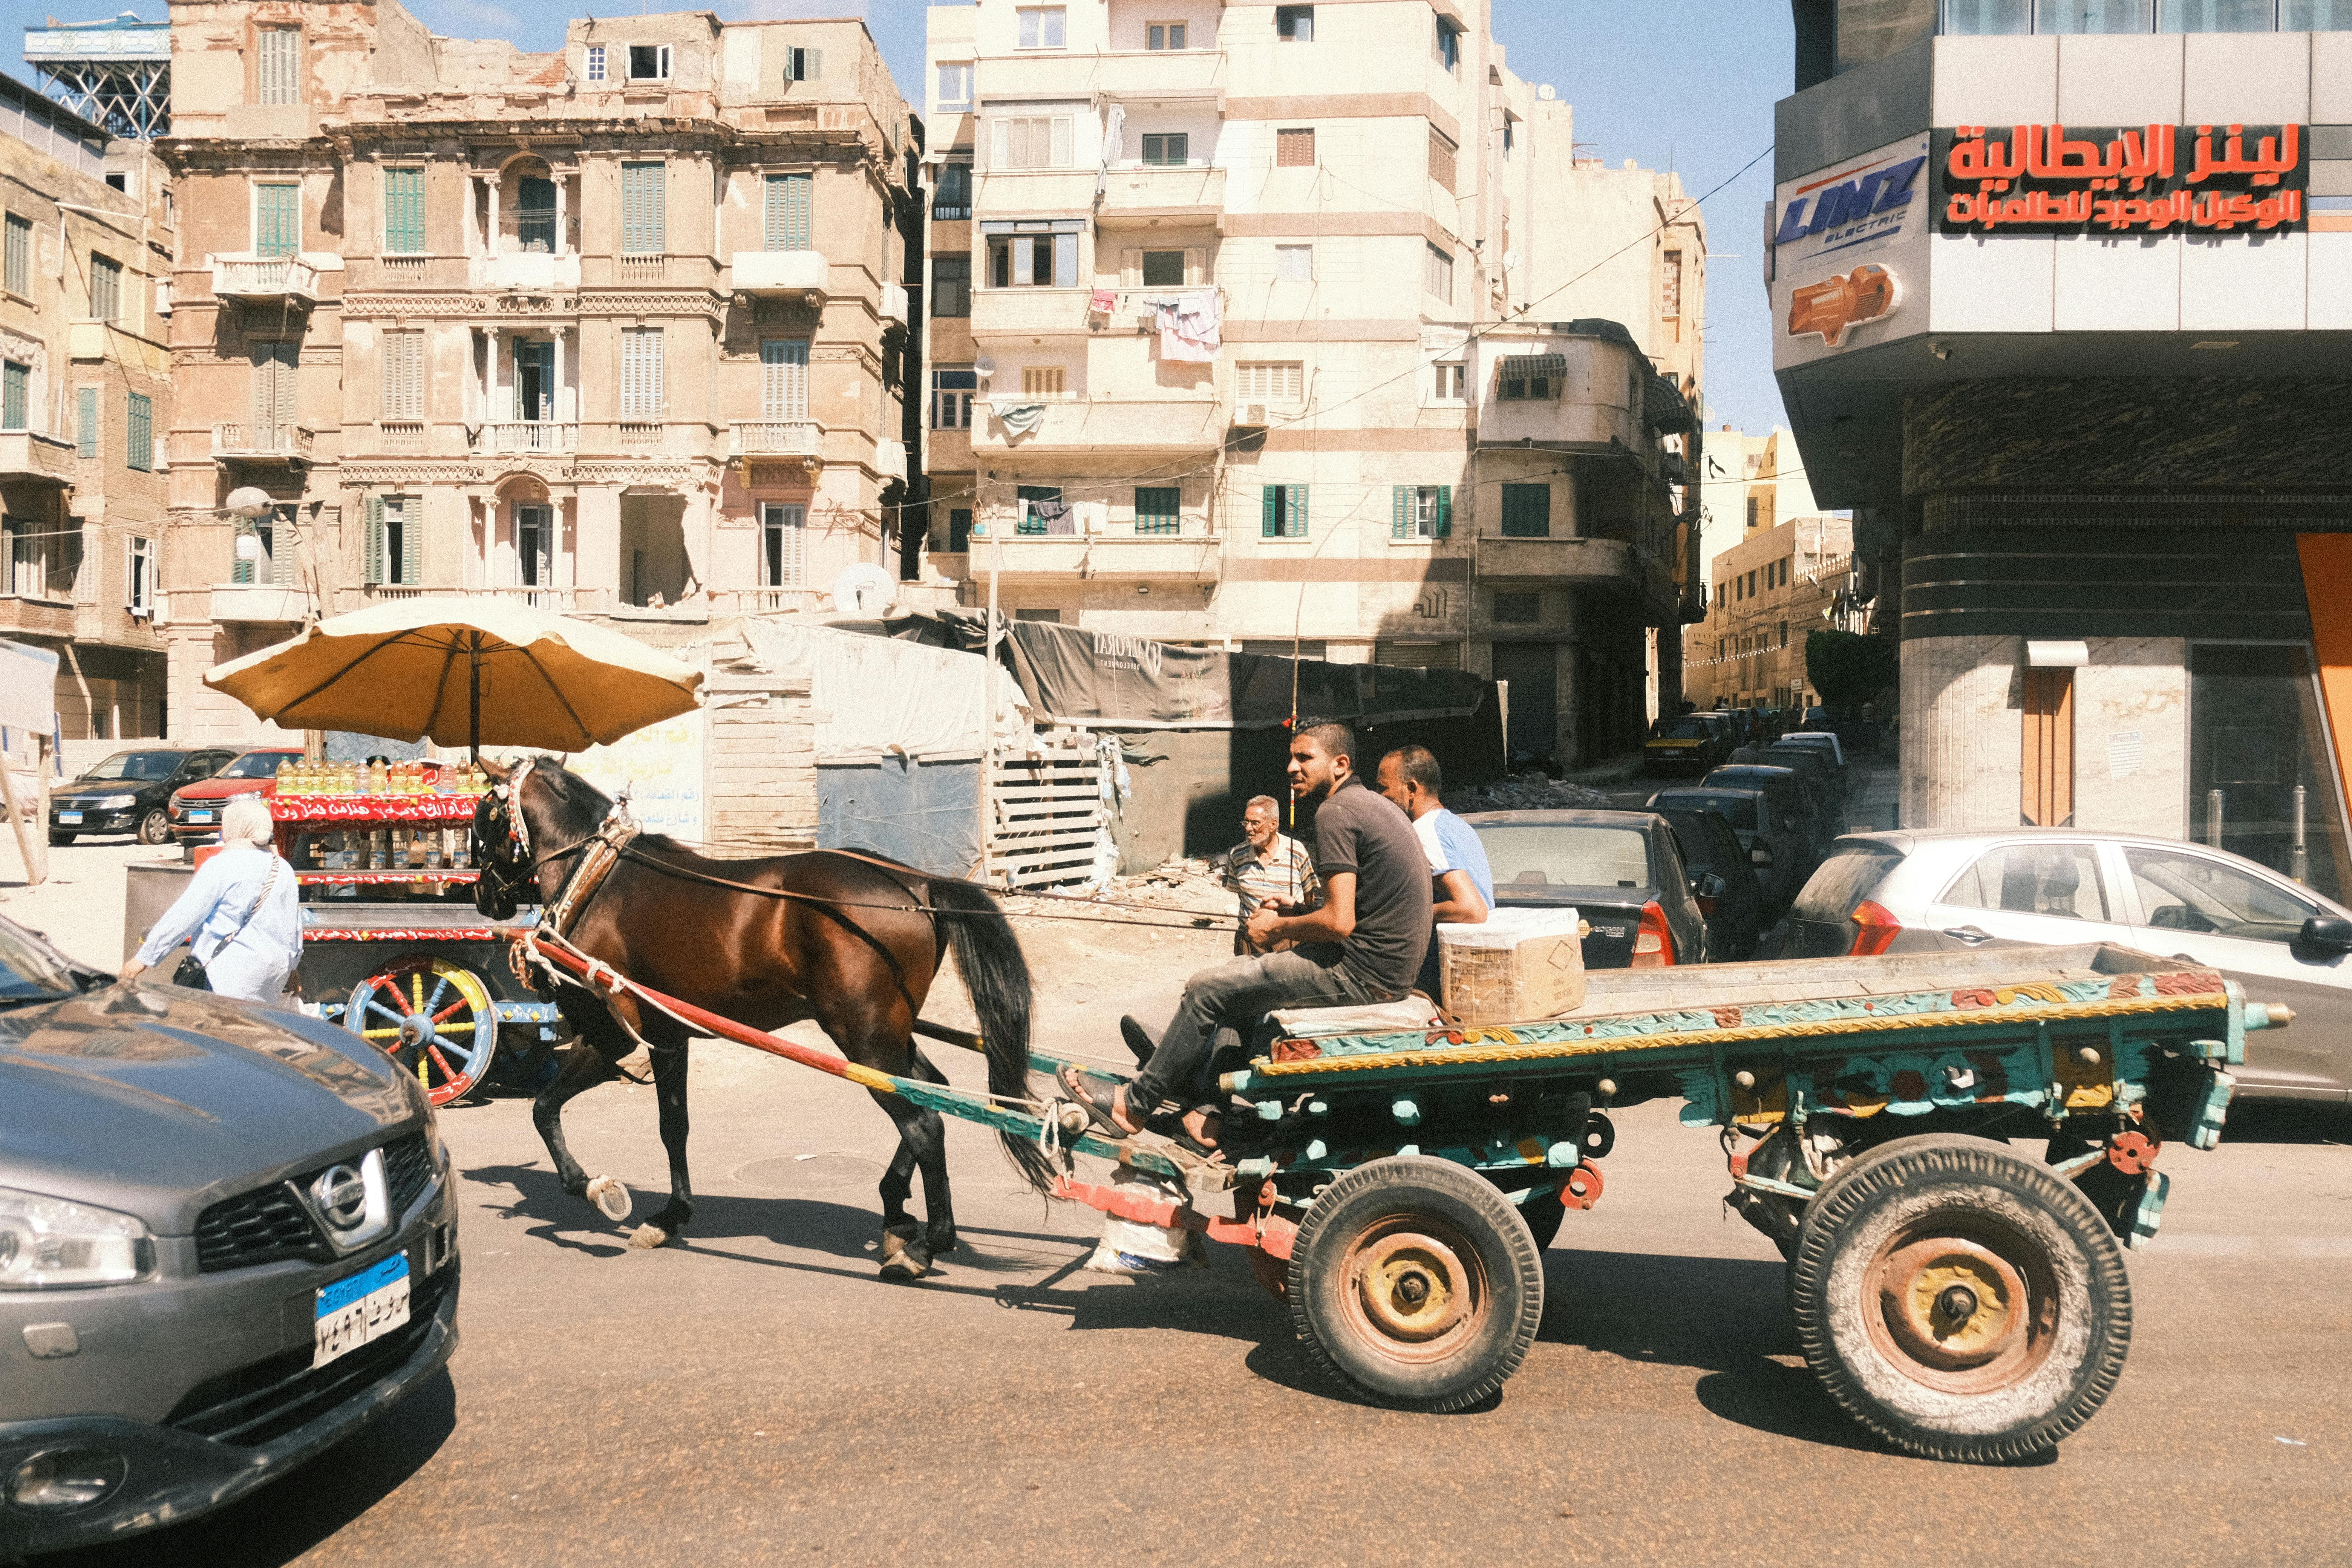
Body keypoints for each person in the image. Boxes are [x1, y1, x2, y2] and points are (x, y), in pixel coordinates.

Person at [1061, 721, 1432, 1151]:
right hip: (1387, 970)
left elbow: (1340, 922)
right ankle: (1208, 1116)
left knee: (1207, 989)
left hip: (1361, 973)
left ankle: (1135, 1105)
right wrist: (1298, 911)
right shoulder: (1372, 805)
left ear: (1340, 764)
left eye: (1305, 758)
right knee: (1237, 977)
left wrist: (1277, 926)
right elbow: (1353, 908)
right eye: (1291, 758)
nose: (1293, 768)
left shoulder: (1336, 813)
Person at [119, 796, 302, 1004]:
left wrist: (143, 959)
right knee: (255, 1028)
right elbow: (293, 924)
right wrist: (294, 967)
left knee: (222, 1029)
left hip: (231, 970)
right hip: (275, 972)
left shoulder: (222, 865)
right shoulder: (283, 868)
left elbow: (185, 917)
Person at [1374, 744, 1494, 1000]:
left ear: (1412, 789)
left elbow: (1471, 908)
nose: (1378, 796)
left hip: (1443, 980)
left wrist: (1399, 917)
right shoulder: (1456, 825)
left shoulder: (1424, 832)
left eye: (1384, 787)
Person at [1222, 794, 1321, 956]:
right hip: (1250, 940)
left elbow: (1309, 896)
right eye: (1246, 822)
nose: (1248, 828)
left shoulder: (1296, 851)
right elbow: (1242, 895)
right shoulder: (1237, 855)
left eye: (1255, 823)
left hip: (1288, 940)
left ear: (1273, 825)